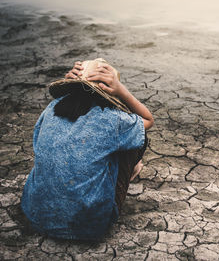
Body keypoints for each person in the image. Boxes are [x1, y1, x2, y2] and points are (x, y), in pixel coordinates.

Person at [21, 58, 154, 240]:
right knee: (137, 133)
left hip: (35, 215)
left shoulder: (51, 109)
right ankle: (132, 169)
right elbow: (148, 119)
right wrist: (121, 90)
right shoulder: (112, 120)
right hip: (89, 226)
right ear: (109, 90)